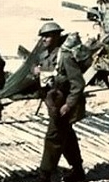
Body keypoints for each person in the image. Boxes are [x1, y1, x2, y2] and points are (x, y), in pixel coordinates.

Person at [30, 23, 87, 182]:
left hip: (63, 104)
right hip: (53, 103)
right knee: (67, 137)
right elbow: (44, 78)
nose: (44, 39)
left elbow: (78, 84)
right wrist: (36, 73)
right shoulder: (43, 56)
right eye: (43, 36)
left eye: (47, 36)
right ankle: (78, 170)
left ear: (56, 37)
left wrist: (68, 105)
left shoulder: (65, 57)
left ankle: (44, 175)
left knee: (53, 137)